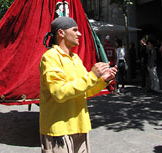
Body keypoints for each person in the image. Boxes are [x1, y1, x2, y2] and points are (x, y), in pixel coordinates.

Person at [39, 17, 117, 153]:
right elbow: (59, 93)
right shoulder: (50, 57)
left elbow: (85, 91)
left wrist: (102, 80)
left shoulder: (75, 58)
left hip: (80, 127)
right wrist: (92, 75)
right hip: (59, 129)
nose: (79, 34)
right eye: (75, 30)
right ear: (61, 33)